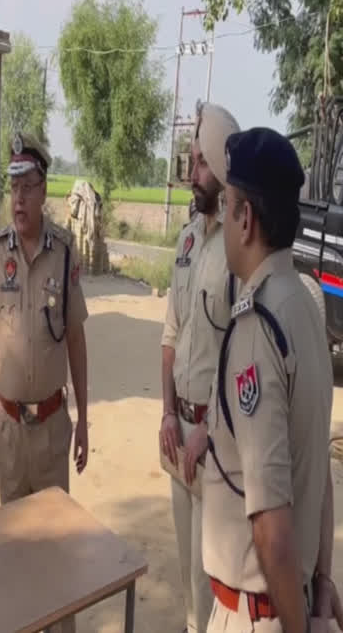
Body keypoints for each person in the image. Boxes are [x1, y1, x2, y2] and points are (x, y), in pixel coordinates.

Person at [202, 127, 343, 633]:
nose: (221, 217)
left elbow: (270, 526)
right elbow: (319, 477)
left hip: (258, 615)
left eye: (229, 203)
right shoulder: (305, 305)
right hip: (295, 600)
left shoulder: (258, 329)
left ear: (246, 219)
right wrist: (323, 581)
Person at [0, 132, 89, 633]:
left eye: (27, 187)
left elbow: (75, 339)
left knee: (56, 550)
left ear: (43, 190)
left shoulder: (63, 252)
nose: (17, 199)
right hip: (9, 432)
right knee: (12, 551)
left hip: (55, 428)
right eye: (12, 188)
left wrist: (85, 421)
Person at [158, 102, 239, 633]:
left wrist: (206, 431)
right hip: (176, 433)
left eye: (201, 162)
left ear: (221, 168)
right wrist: (166, 414)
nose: (192, 172)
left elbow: (239, 352)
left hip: (212, 443)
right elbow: (170, 333)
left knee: (209, 579)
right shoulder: (187, 241)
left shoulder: (237, 248)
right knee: (186, 577)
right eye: (190, 160)